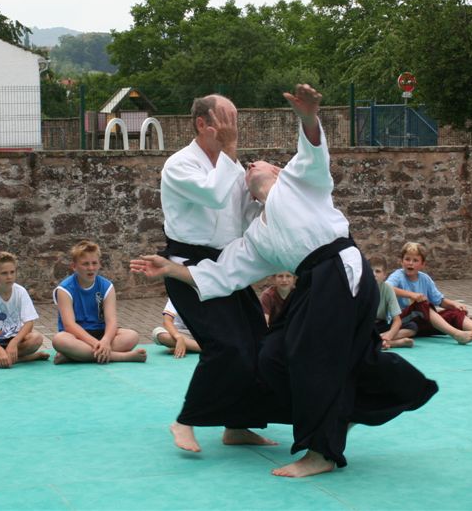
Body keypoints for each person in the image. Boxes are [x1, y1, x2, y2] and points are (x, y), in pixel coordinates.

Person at [133, 84, 438, 478]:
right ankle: (353, 406)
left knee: (316, 359)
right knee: (273, 355)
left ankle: (322, 452)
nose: (252, 165)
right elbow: (225, 272)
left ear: (278, 171)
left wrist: (309, 115)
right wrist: (172, 269)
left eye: (260, 164)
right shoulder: (257, 234)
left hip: (341, 269)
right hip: (312, 283)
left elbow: (313, 150)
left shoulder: (301, 180)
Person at [158, 92, 279, 453]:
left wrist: (265, 199)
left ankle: (238, 425)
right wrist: (231, 152)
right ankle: (185, 420)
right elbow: (212, 196)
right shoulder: (180, 165)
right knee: (225, 346)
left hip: (227, 266)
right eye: (225, 121)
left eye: (234, 122)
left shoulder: (232, 166)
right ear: (201, 124)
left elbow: (243, 218)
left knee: (258, 342)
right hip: (188, 268)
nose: (232, 130)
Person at [388, 243, 472, 345]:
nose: (410, 263)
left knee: (455, 313)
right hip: (402, 321)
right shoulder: (398, 276)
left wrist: (454, 304)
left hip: (421, 323)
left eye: (415, 260)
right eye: (407, 259)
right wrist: (411, 295)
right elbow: (386, 288)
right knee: (422, 304)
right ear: (401, 261)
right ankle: (456, 334)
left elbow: (440, 300)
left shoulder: (425, 278)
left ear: (422, 264)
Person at [51, 240, 146, 364]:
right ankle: (120, 357)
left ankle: (73, 356)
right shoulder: (64, 289)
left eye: (94, 263)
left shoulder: (107, 286)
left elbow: (111, 321)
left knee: (132, 336)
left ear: (99, 264)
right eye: (85, 264)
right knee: (59, 340)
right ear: (74, 266)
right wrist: (96, 344)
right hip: (76, 336)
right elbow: (69, 325)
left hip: (101, 333)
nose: (91, 268)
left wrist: (105, 341)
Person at [0, 251, 49, 368]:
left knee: (36, 338)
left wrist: (14, 343)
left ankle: (8, 357)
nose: (9, 277)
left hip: (16, 339)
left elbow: (29, 323)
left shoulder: (21, 292)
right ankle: (28, 358)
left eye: (12, 272)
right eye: (4, 273)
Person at [370, 258, 414, 349]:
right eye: (371, 271)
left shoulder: (388, 289)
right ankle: (395, 343)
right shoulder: (361, 288)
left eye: (378, 271)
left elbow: (397, 320)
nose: (374, 274)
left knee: (412, 326)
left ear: (384, 275)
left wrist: (389, 334)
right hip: (367, 325)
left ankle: (380, 341)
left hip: (380, 325)